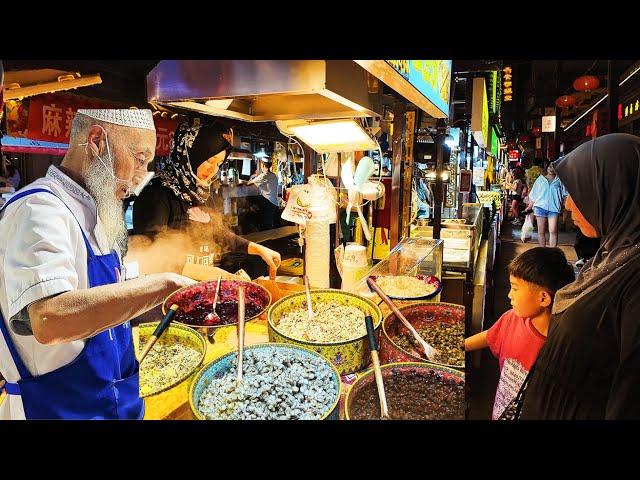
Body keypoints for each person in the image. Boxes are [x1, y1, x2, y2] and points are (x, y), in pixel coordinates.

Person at [0, 109, 195, 419]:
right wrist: (164, 286)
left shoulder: (98, 213)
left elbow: (107, 298)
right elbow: (50, 320)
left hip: (111, 402)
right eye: (140, 158)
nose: (140, 176)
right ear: (96, 141)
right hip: (58, 409)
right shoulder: (38, 209)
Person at [519, 133, 640, 420]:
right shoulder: (611, 256)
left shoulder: (635, 280)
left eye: (578, 191)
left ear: (611, 191)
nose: (568, 205)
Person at [132, 122, 281, 271]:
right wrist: (208, 274)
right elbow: (151, 255)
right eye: (209, 160)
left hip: (202, 286)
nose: (212, 169)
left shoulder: (202, 194)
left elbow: (219, 234)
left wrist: (259, 250)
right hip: (171, 290)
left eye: (218, 164)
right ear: (191, 154)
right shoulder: (156, 193)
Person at [465, 247, 575, 420]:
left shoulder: (560, 347)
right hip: (502, 410)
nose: (509, 295)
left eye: (515, 289)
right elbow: (490, 335)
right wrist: (460, 347)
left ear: (543, 298)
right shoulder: (512, 318)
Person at [528, 162, 566, 247]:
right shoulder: (540, 179)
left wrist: (565, 205)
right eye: (549, 166)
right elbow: (534, 194)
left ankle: (552, 253)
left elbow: (565, 194)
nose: (551, 168)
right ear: (547, 167)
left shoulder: (560, 180)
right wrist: (530, 205)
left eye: (553, 167)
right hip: (540, 207)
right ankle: (543, 252)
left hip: (554, 209)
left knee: (553, 231)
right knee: (541, 231)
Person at [244, 158, 280, 230]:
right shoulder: (274, 175)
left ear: (263, 165)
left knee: (266, 225)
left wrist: (242, 182)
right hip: (274, 203)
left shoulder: (264, 175)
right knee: (269, 223)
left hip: (268, 202)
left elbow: (248, 183)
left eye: (261, 164)